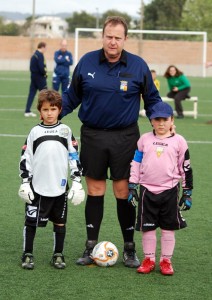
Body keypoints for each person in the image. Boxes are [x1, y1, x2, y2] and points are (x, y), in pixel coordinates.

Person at [61, 16, 162, 268]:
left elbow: (152, 100)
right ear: (102, 36)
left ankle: (129, 248)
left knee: (123, 191)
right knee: (95, 191)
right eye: (109, 36)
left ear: (125, 39)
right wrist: (50, 113)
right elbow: (72, 96)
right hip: (93, 135)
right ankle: (89, 245)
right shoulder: (86, 62)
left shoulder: (138, 66)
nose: (113, 41)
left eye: (118, 37)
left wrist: (163, 126)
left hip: (126, 138)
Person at [18, 89, 85, 270]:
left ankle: (58, 254)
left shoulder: (65, 131)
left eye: (53, 109)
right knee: (30, 221)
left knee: (60, 221)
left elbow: (74, 156)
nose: (49, 113)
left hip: (59, 187)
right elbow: (26, 157)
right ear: (40, 111)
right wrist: (25, 181)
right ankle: (28, 254)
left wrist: (77, 181)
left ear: (59, 110)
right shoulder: (35, 132)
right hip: (37, 187)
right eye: (46, 109)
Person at [128, 101, 193, 275]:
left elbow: (185, 167)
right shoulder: (144, 140)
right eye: (157, 120)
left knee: (167, 228)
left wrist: (187, 192)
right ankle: (149, 259)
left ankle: (166, 261)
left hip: (170, 190)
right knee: (147, 228)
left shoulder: (179, 141)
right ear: (151, 121)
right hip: (147, 190)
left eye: (165, 119)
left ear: (172, 120)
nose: (161, 123)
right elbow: (136, 162)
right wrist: (133, 185)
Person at [24, 42, 48, 117]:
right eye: (45, 48)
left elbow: (31, 68)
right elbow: (41, 68)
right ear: (42, 47)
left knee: (32, 94)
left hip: (33, 77)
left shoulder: (34, 55)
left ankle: (27, 111)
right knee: (46, 94)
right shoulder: (40, 55)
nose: (46, 50)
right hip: (40, 78)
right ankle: (47, 110)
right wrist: (45, 73)